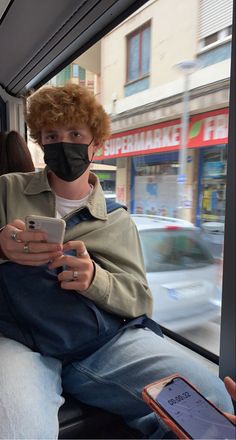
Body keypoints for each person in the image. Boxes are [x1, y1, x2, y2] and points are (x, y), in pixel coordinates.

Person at [0, 83, 234, 439]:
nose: (64, 143)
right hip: (16, 340)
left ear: (96, 144)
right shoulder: (7, 189)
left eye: (76, 133)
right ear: (41, 142)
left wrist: (95, 278)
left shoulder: (117, 220)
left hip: (100, 344)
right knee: (17, 429)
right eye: (52, 135)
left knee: (208, 399)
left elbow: (140, 298)